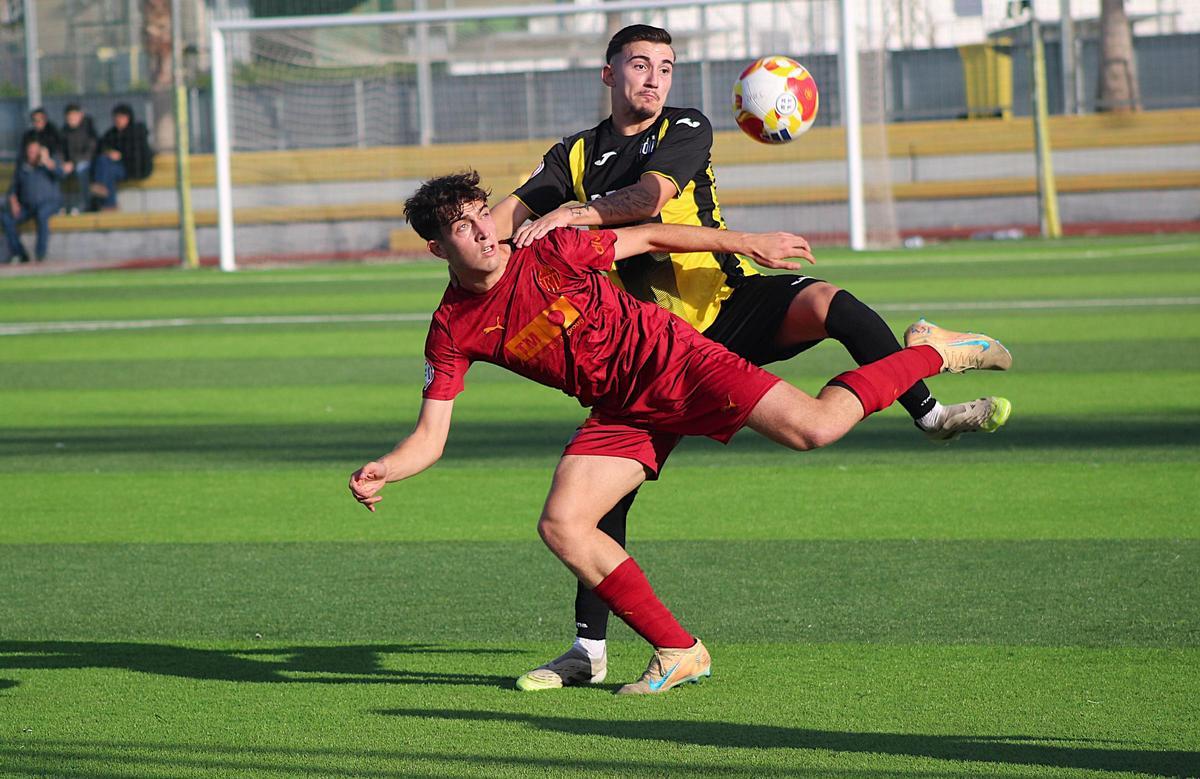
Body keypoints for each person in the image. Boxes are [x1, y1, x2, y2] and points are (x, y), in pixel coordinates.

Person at [490, 24, 1013, 691]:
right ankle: (587, 652)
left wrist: (575, 215)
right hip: (654, 349)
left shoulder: (685, 126)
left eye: (667, 67)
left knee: (832, 304)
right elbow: (508, 215)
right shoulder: (574, 156)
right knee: (596, 501)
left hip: (732, 307)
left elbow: (647, 202)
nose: (654, 79)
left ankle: (929, 412)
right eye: (640, 65)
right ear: (608, 73)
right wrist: (464, 229)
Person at [348, 171, 1012, 694]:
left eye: (482, 213)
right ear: (438, 247)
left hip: (679, 362)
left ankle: (934, 351)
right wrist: (387, 468)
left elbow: (655, 237)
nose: (484, 231)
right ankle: (678, 649)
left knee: (814, 429)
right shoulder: (452, 326)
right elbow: (431, 434)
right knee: (564, 523)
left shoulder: (549, 247)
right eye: (463, 226)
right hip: (623, 408)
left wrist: (748, 242)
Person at [2, 139, 63, 263]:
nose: (32, 154)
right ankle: (20, 254)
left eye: (35, 151)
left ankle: (40, 255)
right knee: (6, 218)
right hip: (28, 206)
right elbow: (12, 190)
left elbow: (60, 175)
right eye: (30, 151)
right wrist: (14, 202)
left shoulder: (48, 165)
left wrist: (46, 161)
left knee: (42, 215)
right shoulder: (23, 169)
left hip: (49, 204)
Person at [90, 104, 153, 210]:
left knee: (108, 171)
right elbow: (100, 149)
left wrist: (121, 156)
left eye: (121, 117)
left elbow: (138, 155)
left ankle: (108, 202)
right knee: (103, 161)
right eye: (116, 117)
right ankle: (102, 190)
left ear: (128, 118)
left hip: (133, 168)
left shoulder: (136, 132)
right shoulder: (112, 133)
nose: (118, 120)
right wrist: (109, 153)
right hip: (116, 168)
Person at [60, 104, 98, 214]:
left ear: (80, 115)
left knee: (82, 169)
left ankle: (85, 204)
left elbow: (90, 151)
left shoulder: (89, 129)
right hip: (70, 164)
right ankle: (60, 205)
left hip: (87, 163)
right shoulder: (64, 131)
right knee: (57, 171)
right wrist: (62, 162)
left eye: (74, 116)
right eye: (69, 117)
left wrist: (73, 163)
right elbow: (60, 150)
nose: (71, 119)